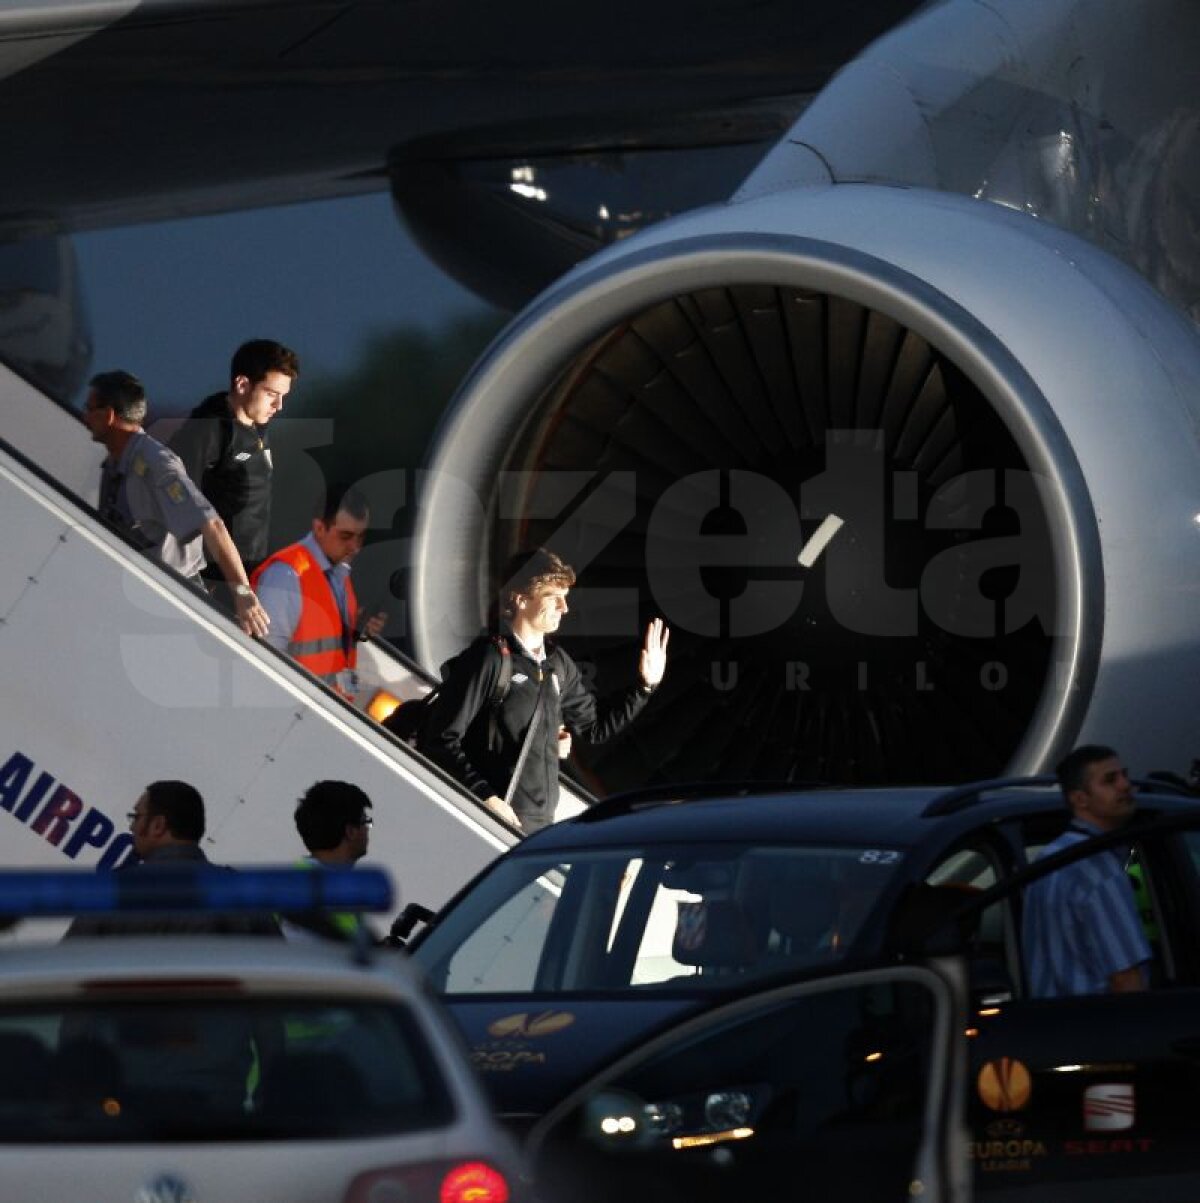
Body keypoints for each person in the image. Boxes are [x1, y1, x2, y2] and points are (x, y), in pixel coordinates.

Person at [422, 547, 670, 835]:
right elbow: (441, 739)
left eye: (565, 598)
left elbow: (594, 729)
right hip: (490, 819)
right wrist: (485, 797)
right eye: (554, 597)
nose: (564, 608)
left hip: (537, 827)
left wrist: (645, 686)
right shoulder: (490, 660)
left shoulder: (558, 665)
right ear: (521, 598)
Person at [83, 370, 270, 638]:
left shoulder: (155, 463)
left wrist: (243, 593)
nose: (85, 417)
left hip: (174, 602)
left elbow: (212, 524)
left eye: (90, 408)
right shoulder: (115, 465)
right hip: (138, 600)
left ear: (109, 415)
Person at [168, 339, 299, 607]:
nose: (279, 406)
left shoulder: (258, 424)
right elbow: (178, 501)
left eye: (283, 396)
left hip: (247, 580)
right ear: (242, 385)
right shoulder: (208, 429)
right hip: (214, 587)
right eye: (272, 394)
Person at [1021, 745, 1151, 998]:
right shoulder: (1099, 871)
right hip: (1101, 1026)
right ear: (1080, 799)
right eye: (1110, 780)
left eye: (1124, 774)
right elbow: (1126, 979)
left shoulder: (1047, 859)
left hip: (1049, 1025)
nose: (1125, 785)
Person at [251, 484, 386, 701]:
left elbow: (334, 649)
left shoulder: (340, 575)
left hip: (326, 710)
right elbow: (266, 660)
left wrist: (358, 629)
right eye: (346, 536)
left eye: (361, 537)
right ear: (319, 528)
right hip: (296, 711)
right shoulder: (286, 576)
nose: (355, 547)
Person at [285, 780, 376, 942]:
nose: (368, 830)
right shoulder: (330, 891)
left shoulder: (299, 879)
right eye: (366, 822)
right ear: (351, 832)